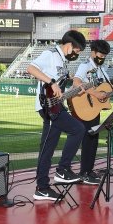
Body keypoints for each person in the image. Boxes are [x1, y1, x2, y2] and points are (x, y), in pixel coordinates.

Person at [26, 30, 87, 201]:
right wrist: (51, 82)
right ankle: (62, 170)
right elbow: (30, 68)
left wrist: (76, 92)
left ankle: (43, 188)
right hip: (48, 107)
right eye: (76, 51)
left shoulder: (63, 62)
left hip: (56, 106)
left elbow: (60, 91)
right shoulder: (50, 54)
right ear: (69, 46)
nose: (76, 55)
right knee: (78, 129)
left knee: (47, 149)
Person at [72, 39, 113, 185]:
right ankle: (84, 173)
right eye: (101, 55)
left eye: (105, 56)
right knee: (88, 140)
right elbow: (76, 82)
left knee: (93, 140)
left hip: (95, 109)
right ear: (93, 52)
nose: (103, 58)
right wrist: (95, 94)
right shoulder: (85, 65)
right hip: (84, 107)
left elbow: (108, 86)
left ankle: (88, 170)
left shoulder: (101, 68)